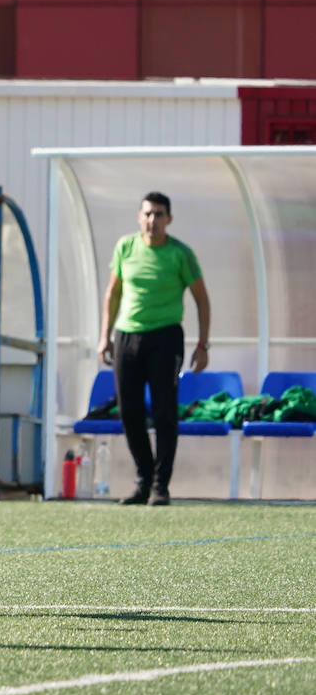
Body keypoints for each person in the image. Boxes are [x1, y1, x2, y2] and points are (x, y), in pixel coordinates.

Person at [97, 191, 210, 507]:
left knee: (163, 413)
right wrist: (104, 336)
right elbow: (112, 294)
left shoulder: (180, 254)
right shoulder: (125, 247)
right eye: (147, 213)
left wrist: (203, 345)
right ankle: (143, 481)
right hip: (127, 338)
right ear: (139, 217)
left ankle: (161, 486)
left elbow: (202, 299)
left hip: (165, 338)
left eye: (159, 214)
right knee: (130, 412)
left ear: (169, 219)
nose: (153, 220)